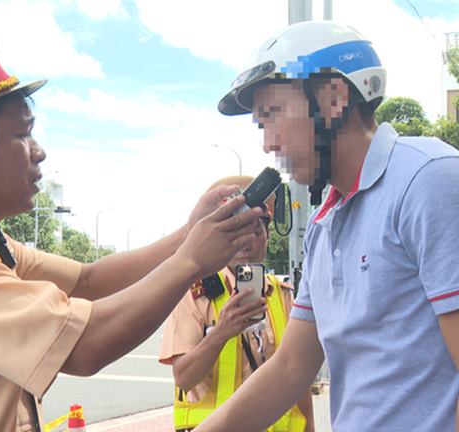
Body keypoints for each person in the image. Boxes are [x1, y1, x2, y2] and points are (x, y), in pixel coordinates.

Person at [0, 13, 266, 431]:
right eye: (23, 135)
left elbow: (89, 280)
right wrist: (191, 260)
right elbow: (86, 345)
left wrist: (191, 231)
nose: (38, 152)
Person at [195, 20, 459, 431]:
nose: (267, 142)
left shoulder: (427, 180)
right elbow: (291, 367)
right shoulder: (323, 225)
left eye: (273, 114)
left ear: (333, 98)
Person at [159, 175, 314, 432]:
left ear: (266, 235)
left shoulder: (283, 296)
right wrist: (221, 333)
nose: (245, 242)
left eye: (254, 230)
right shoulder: (195, 294)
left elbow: (300, 380)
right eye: (235, 231)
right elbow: (184, 378)